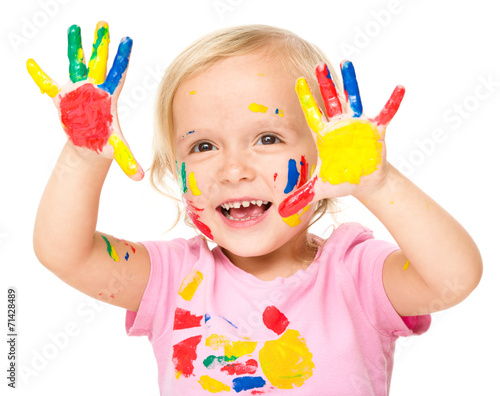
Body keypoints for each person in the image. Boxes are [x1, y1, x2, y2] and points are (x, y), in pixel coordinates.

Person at [29, 21, 482, 395]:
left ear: (325, 153)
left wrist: (378, 182)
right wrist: (84, 152)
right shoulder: (170, 279)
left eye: (267, 138)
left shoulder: (356, 274)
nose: (233, 170)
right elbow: (63, 252)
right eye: (203, 146)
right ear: (175, 168)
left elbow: (454, 278)